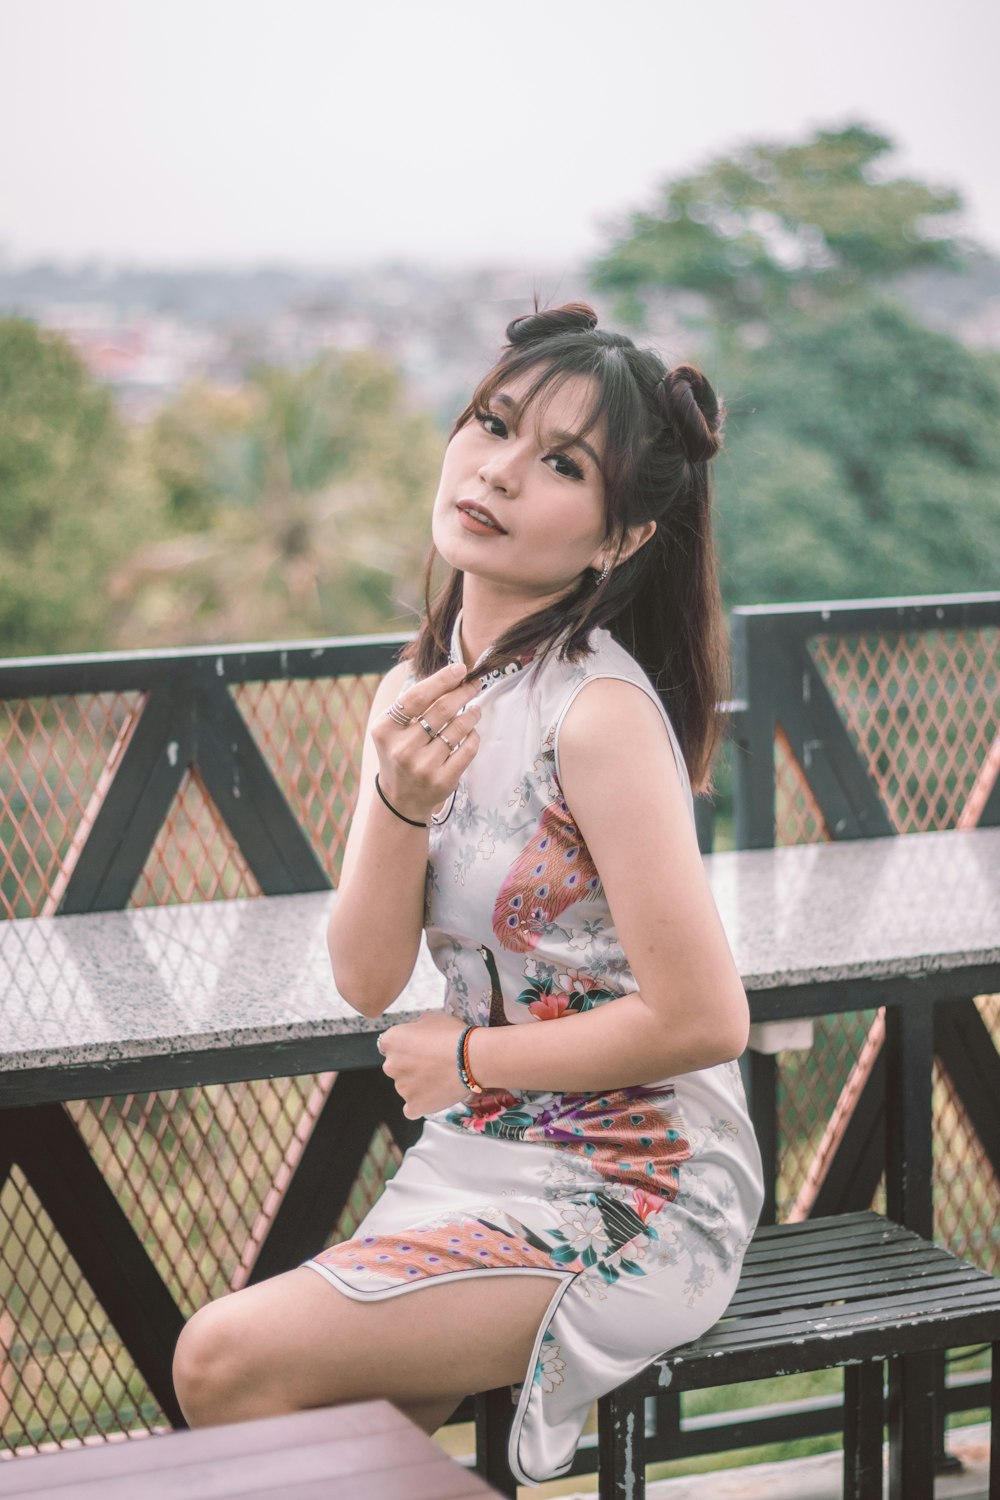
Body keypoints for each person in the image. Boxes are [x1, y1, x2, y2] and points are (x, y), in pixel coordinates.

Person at [172, 303, 764, 1486]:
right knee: (340, 1458)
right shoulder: (416, 692)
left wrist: (474, 1063)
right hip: (478, 1159)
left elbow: (705, 1022)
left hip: (633, 1186)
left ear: (619, 535)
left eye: (559, 463)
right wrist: (397, 797)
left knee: (225, 1363)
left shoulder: (594, 717)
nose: (497, 469)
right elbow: (363, 976)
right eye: (492, 424)